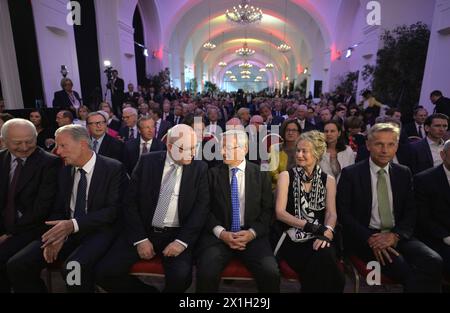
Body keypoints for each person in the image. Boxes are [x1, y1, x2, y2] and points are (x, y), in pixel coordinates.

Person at [7, 125, 128, 293]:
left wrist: (73, 225)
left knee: (73, 268)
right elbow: (57, 208)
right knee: (18, 265)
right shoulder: (63, 169)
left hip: (99, 231)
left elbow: (113, 211)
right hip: (65, 230)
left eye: (63, 146)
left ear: (83, 144)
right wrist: (58, 235)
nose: (57, 151)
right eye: (57, 146)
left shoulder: (113, 168)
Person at [96, 125, 209, 293]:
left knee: (181, 277)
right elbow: (129, 202)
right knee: (105, 273)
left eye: (195, 147)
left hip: (176, 234)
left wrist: (181, 242)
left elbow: (201, 209)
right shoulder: (147, 161)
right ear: (170, 147)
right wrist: (140, 239)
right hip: (143, 230)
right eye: (187, 148)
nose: (193, 153)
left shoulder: (200, 168)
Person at [337, 123, 443, 292]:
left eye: (390, 144)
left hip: (397, 236)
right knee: (405, 269)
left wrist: (396, 236)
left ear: (397, 146)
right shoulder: (351, 174)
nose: (385, 150)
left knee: (433, 260)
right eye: (379, 144)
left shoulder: (404, 172)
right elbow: (343, 213)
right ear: (369, 145)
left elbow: (411, 211)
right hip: (366, 238)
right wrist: (370, 238)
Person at [195, 130, 280, 293]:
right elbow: (204, 209)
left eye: (228, 147)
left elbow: (267, 210)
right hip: (219, 237)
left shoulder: (260, 173)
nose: (221, 152)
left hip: (252, 236)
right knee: (206, 272)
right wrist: (221, 233)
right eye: (221, 147)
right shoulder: (212, 174)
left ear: (245, 149)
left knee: (270, 273)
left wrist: (252, 233)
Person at [274, 131, 345, 292]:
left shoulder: (329, 180)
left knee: (323, 253)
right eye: (298, 150)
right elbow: (280, 213)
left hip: (320, 235)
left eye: (304, 151)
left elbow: (331, 213)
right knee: (324, 260)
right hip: (292, 239)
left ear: (317, 153)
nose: (299, 154)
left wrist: (328, 230)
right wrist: (312, 227)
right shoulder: (286, 176)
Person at [0, 119, 59, 293]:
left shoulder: (49, 163)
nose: (25, 147)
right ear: (4, 140)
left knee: (11, 263)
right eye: (17, 143)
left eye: (30, 141)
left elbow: (41, 209)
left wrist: (9, 233)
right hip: (5, 228)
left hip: (33, 229)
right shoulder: (1, 159)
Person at [414, 140, 450, 278]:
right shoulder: (424, 180)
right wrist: (446, 237)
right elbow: (423, 217)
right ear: (442, 155)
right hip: (437, 237)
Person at [269, 120, 302, 190]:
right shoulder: (275, 148)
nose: (290, 133)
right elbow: (273, 172)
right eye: (287, 130)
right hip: (279, 186)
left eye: (294, 130)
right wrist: (286, 181)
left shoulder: (303, 149)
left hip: (300, 186)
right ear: (283, 132)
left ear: (299, 133)